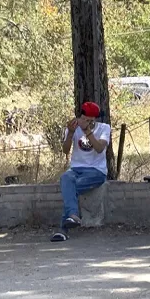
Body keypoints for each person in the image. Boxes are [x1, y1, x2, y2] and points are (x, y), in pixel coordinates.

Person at [50, 102, 111, 242]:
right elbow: (65, 150)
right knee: (66, 178)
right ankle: (73, 215)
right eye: (85, 119)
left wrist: (88, 131)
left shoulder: (104, 128)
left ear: (96, 119)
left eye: (91, 120)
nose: (87, 122)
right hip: (76, 169)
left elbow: (99, 148)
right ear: (80, 117)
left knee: (69, 190)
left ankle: (63, 229)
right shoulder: (73, 128)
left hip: (96, 171)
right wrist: (70, 133)